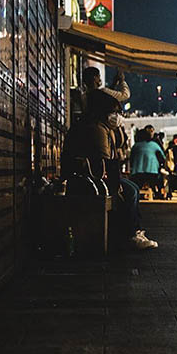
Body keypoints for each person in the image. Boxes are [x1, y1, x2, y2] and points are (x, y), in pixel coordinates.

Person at [62, 89, 158, 249]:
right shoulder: (96, 128)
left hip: (89, 176)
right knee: (130, 191)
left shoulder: (100, 127)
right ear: (103, 112)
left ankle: (136, 231)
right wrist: (116, 184)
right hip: (89, 179)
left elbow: (117, 146)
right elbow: (104, 161)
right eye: (114, 112)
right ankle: (132, 234)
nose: (117, 116)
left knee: (132, 187)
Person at [129, 129, 167, 197]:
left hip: (137, 172)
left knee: (136, 183)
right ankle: (158, 192)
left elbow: (131, 158)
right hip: (152, 172)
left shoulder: (136, 146)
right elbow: (163, 157)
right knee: (158, 179)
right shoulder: (154, 145)